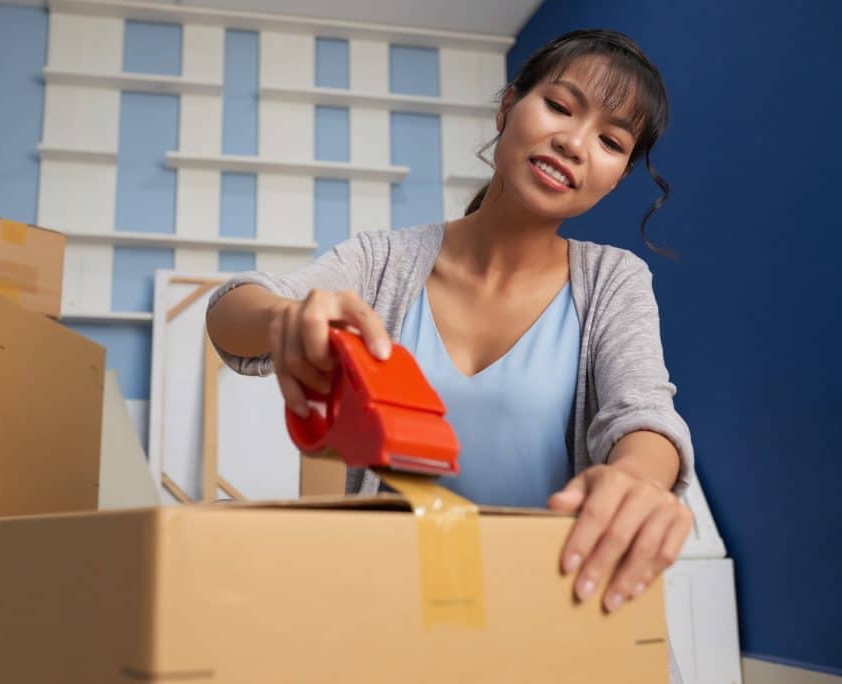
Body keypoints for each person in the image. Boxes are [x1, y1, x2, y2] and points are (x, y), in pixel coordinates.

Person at [206, 28, 692, 674]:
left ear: (614, 178)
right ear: (507, 107)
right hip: (403, 625)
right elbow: (231, 310)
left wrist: (636, 479)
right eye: (560, 106)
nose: (575, 144)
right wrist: (285, 319)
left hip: (558, 622)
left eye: (610, 142)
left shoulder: (614, 281)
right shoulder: (385, 262)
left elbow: (644, 415)